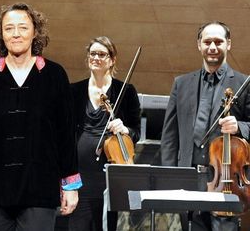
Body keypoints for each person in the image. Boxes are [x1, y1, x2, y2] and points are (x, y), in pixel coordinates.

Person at [0, 2, 81, 231]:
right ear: (1, 34)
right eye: (9, 28)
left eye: (23, 27)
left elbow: (66, 135)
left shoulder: (55, 75)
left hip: (40, 186)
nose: (16, 34)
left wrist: (70, 185)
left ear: (35, 32)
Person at [161, 21, 250, 231]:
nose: (212, 47)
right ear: (198, 45)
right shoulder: (181, 83)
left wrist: (240, 127)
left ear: (228, 44)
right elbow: (170, 137)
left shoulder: (243, 83)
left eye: (218, 42)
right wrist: (168, 178)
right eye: (207, 41)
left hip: (226, 182)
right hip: (186, 179)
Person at [69, 36, 141, 231]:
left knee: (106, 226)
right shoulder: (74, 91)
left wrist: (125, 129)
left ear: (112, 59)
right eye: (92, 54)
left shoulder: (125, 91)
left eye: (102, 54)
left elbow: (136, 132)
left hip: (109, 171)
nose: (96, 58)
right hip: (80, 174)